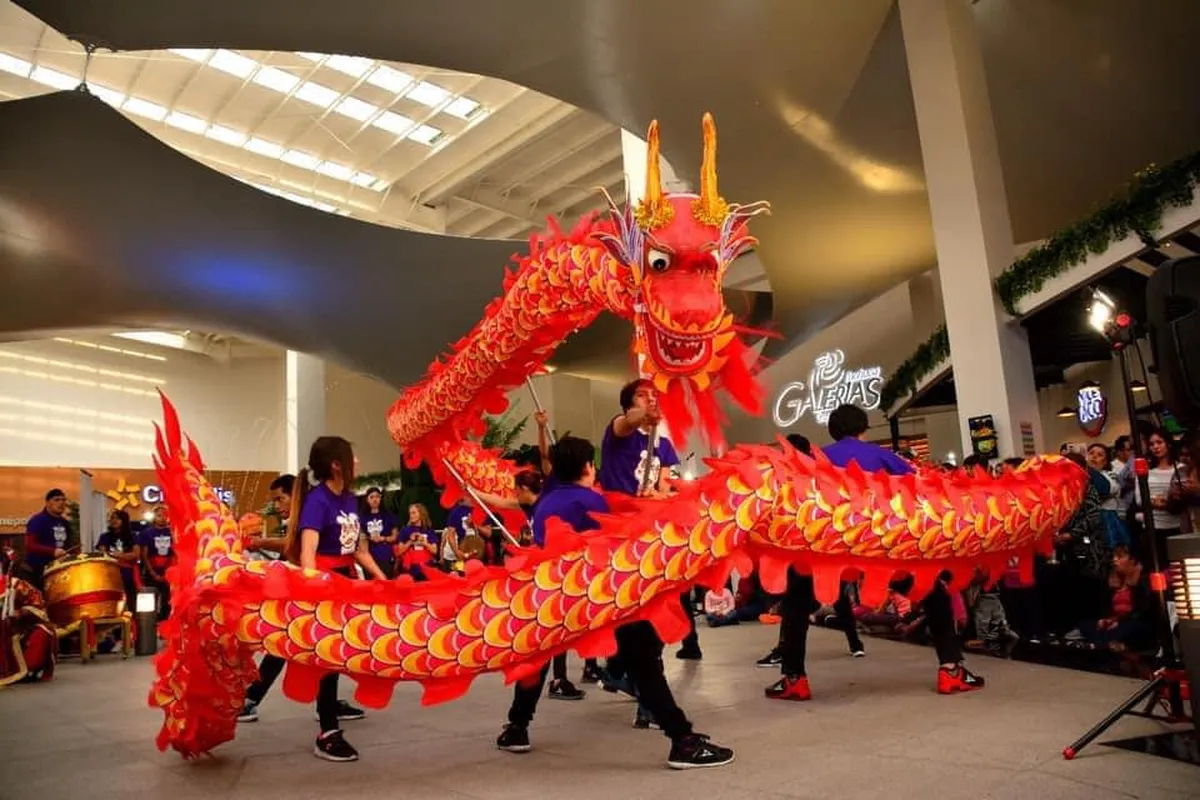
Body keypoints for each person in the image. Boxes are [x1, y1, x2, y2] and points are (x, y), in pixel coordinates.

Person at [495, 436, 733, 769]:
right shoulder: (590, 501)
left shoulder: (546, 502)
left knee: (536, 663)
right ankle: (681, 740)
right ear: (586, 467)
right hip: (599, 600)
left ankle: (516, 728)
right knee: (645, 660)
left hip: (556, 601)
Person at [239, 473, 367, 729]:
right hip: (312, 592)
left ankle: (323, 710)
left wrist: (260, 542)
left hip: (327, 589)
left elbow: (292, 546)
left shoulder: (315, 511)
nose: (277, 505)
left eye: (280, 499)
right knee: (296, 647)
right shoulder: (312, 511)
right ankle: (323, 713)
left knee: (311, 649)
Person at [599, 378, 700, 663]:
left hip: (650, 527)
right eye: (642, 396)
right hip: (619, 528)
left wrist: (659, 495)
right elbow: (627, 422)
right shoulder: (619, 431)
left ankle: (645, 662)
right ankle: (622, 663)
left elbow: (665, 484)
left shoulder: (663, 444)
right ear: (629, 403)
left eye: (654, 396)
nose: (650, 399)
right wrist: (642, 415)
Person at [757, 433, 865, 673]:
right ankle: (855, 643)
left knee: (795, 605)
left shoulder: (794, 475)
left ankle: (790, 665)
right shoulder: (820, 471)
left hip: (806, 551)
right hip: (826, 547)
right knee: (836, 596)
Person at [0, 550, 56, 685]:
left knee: (42, 633)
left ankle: (28, 669)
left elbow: (38, 604)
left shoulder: (16, 585)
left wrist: (23, 612)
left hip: (16, 633)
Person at [23, 489, 71, 589]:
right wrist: (52, 551)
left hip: (57, 571)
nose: (61, 503)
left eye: (63, 500)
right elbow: (30, 545)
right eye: (56, 500)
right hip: (36, 572)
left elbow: (68, 545)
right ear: (47, 502)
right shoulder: (37, 520)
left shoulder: (65, 523)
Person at [135, 505, 175, 622]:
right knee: (149, 599)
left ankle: (165, 625)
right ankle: (149, 624)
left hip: (169, 569)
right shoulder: (146, 533)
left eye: (164, 515)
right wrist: (153, 573)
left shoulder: (173, 532)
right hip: (151, 569)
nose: (162, 518)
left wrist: (167, 572)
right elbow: (144, 555)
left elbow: (175, 553)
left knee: (167, 600)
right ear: (154, 517)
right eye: (159, 515)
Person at [96, 509, 138, 614]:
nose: (114, 520)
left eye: (117, 518)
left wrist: (119, 555)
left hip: (127, 573)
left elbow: (136, 555)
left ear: (124, 520)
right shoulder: (104, 536)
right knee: (112, 602)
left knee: (131, 602)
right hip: (110, 574)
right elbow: (103, 554)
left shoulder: (133, 536)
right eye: (112, 518)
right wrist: (122, 556)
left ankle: (132, 627)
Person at [360, 487, 399, 579]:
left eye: (377, 497)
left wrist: (383, 538)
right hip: (368, 557)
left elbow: (395, 536)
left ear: (381, 499)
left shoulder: (389, 515)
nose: (375, 499)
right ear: (367, 499)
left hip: (385, 556)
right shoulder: (361, 518)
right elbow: (359, 538)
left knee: (386, 583)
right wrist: (368, 538)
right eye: (372, 497)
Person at [396, 503, 439, 581]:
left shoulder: (429, 530)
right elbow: (399, 551)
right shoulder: (405, 530)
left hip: (426, 568)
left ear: (421, 514)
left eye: (414, 513)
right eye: (410, 513)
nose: (411, 515)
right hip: (410, 569)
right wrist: (410, 541)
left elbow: (435, 551)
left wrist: (425, 543)